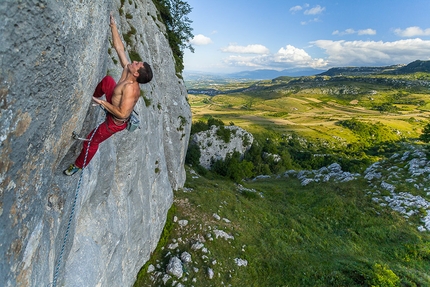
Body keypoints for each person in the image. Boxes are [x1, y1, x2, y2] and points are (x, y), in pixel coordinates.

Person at [64, 13, 153, 176]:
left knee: (91, 141)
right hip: (115, 99)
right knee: (107, 80)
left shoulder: (131, 90)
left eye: (137, 64)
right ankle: (92, 97)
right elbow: (119, 49)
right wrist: (113, 26)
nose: (134, 62)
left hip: (115, 121)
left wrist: (101, 103)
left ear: (137, 74)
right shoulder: (128, 71)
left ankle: (78, 166)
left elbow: (122, 113)